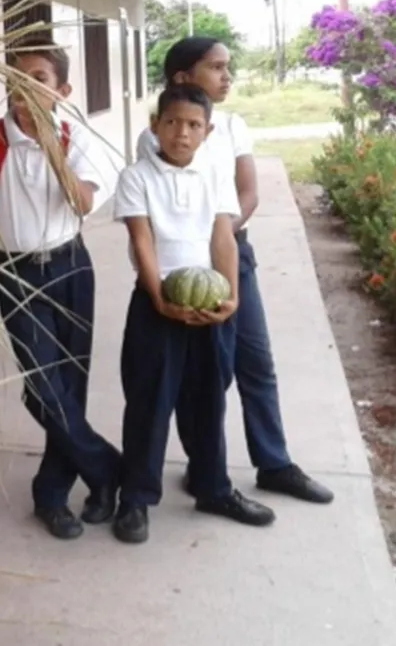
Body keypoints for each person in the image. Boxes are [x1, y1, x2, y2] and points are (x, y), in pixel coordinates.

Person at [136, 37, 334, 505]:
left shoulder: (231, 126)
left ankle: (275, 463)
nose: (227, 76)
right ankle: (204, 467)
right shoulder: (159, 134)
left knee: (255, 362)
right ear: (183, 77)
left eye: (229, 67)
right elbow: (160, 203)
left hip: (230, 256)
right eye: (216, 67)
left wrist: (220, 237)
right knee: (205, 376)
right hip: (182, 267)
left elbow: (247, 193)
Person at [0, 36, 121, 540]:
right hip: (14, 273)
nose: (22, 91)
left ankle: (53, 494)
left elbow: (83, 202)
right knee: (43, 387)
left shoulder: (75, 137)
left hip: (70, 267)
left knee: (70, 384)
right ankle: (108, 469)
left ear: (60, 90)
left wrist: (50, 147)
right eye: (15, 81)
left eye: (36, 80)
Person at [112, 84, 277, 544]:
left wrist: (232, 299)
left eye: (193, 125)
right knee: (149, 402)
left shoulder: (216, 175)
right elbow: (142, 240)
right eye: (172, 122)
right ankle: (136, 498)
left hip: (210, 306)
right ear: (155, 126)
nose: (181, 133)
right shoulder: (136, 177)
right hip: (156, 303)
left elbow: (222, 237)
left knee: (208, 401)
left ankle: (213, 488)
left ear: (206, 132)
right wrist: (160, 298)